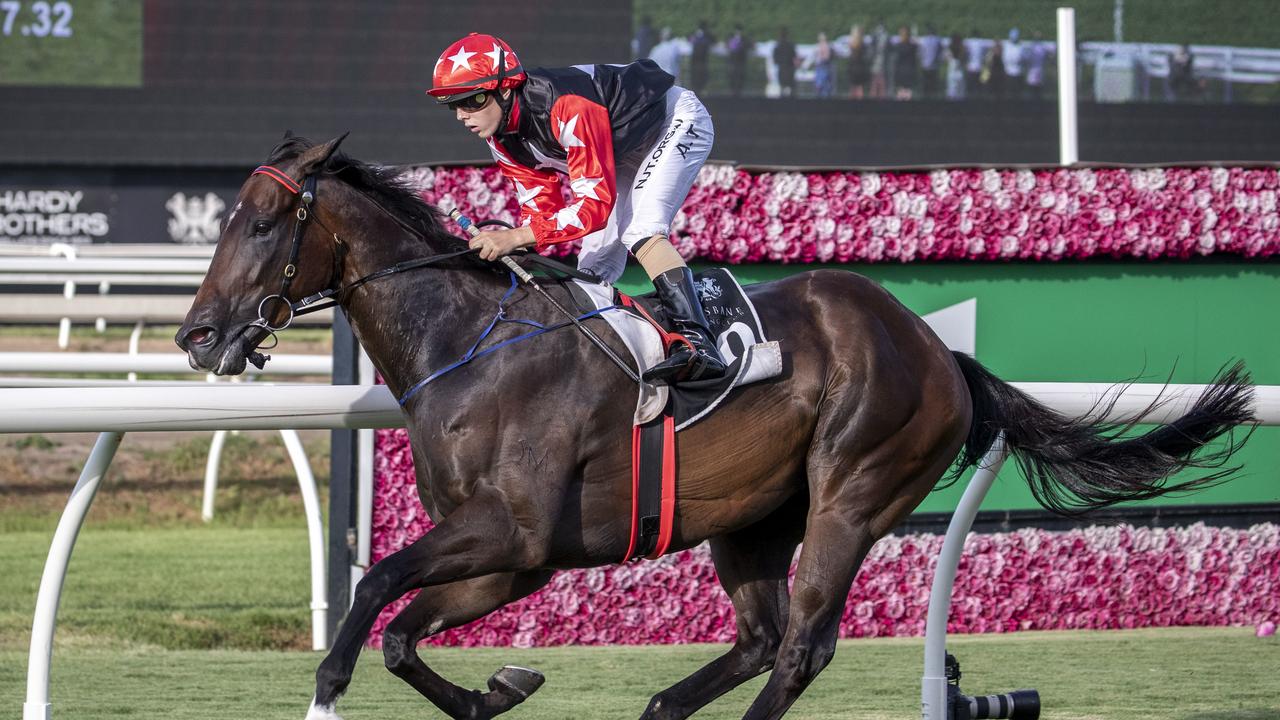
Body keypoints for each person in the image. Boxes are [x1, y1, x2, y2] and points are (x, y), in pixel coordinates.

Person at [427, 33, 727, 384]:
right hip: (619, 149)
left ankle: (699, 344)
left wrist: (517, 237)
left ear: (505, 89)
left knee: (641, 229)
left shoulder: (565, 106)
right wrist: (514, 246)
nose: (464, 116)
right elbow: (541, 211)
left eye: (474, 100)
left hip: (672, 122)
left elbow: (594, 208)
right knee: (594, 270)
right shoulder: (501, 141)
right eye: (454, 105)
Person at [689, 21, 714, 96]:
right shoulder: (707, 35)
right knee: (702, 75)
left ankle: (696, 89)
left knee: (695, 75)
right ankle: (701, 89)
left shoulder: (694, 35)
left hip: (695, 59)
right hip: (702, 59)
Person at [892, 26, 918, 100]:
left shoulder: (897, 46)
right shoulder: (913, 46)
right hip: (910, 71)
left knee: (900, 93)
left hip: (900, 71)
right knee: (908, 94)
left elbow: (896, 61)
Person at [918, 24, 942, 99]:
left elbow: (920, 53)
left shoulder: (923, 40)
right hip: (934, 67)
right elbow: (940, 52)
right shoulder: (937, 40)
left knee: (925, 88)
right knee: (934, 89)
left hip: (925, 66)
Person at [846, 24, 870, 99]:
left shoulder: (852, 44)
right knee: (859, 88)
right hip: (859, 68)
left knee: (854, 88)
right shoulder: (863, 44)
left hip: (854, 68)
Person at [773, 27, 798, 97]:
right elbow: (794, 57)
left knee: (782, 88)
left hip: (782, 70)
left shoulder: (777, 46)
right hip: (790, 70)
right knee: (791, 89)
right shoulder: (791, 45)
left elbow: (775, 61)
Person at [726, 25, 749, 97]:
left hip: (740, 62)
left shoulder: (744, 39)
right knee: (732, 77)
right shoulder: (731, 39)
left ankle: (738, 92)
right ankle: (732, 91)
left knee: (740, 77)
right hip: (733, 62)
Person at [813, 32, 835, 98]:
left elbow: (825, 57)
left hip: (822, 66)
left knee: (822, 86)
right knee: (823, 86)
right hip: (822, 66)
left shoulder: (823, 46)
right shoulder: (827, 46)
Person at [945, 33, 966, 100]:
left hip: (952, 72)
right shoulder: (962, 49)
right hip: (960, 73)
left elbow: (946, 58)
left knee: (951, 94)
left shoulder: (949, 49)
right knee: (960, 94)